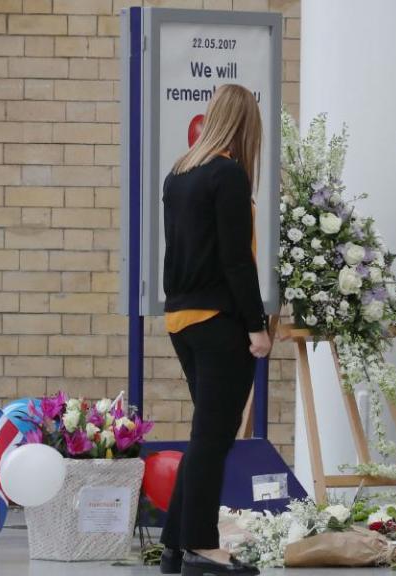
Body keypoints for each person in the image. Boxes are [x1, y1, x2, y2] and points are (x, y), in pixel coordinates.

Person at [159, 84, 271, 576]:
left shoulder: (179, 173)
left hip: (180, 319)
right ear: (246, 126)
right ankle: (202, 547)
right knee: (213, 438)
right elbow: (235, 261)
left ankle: (173, 545)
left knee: (205, 433)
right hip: (219, 323)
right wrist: (257, 326)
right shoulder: (228, 175)